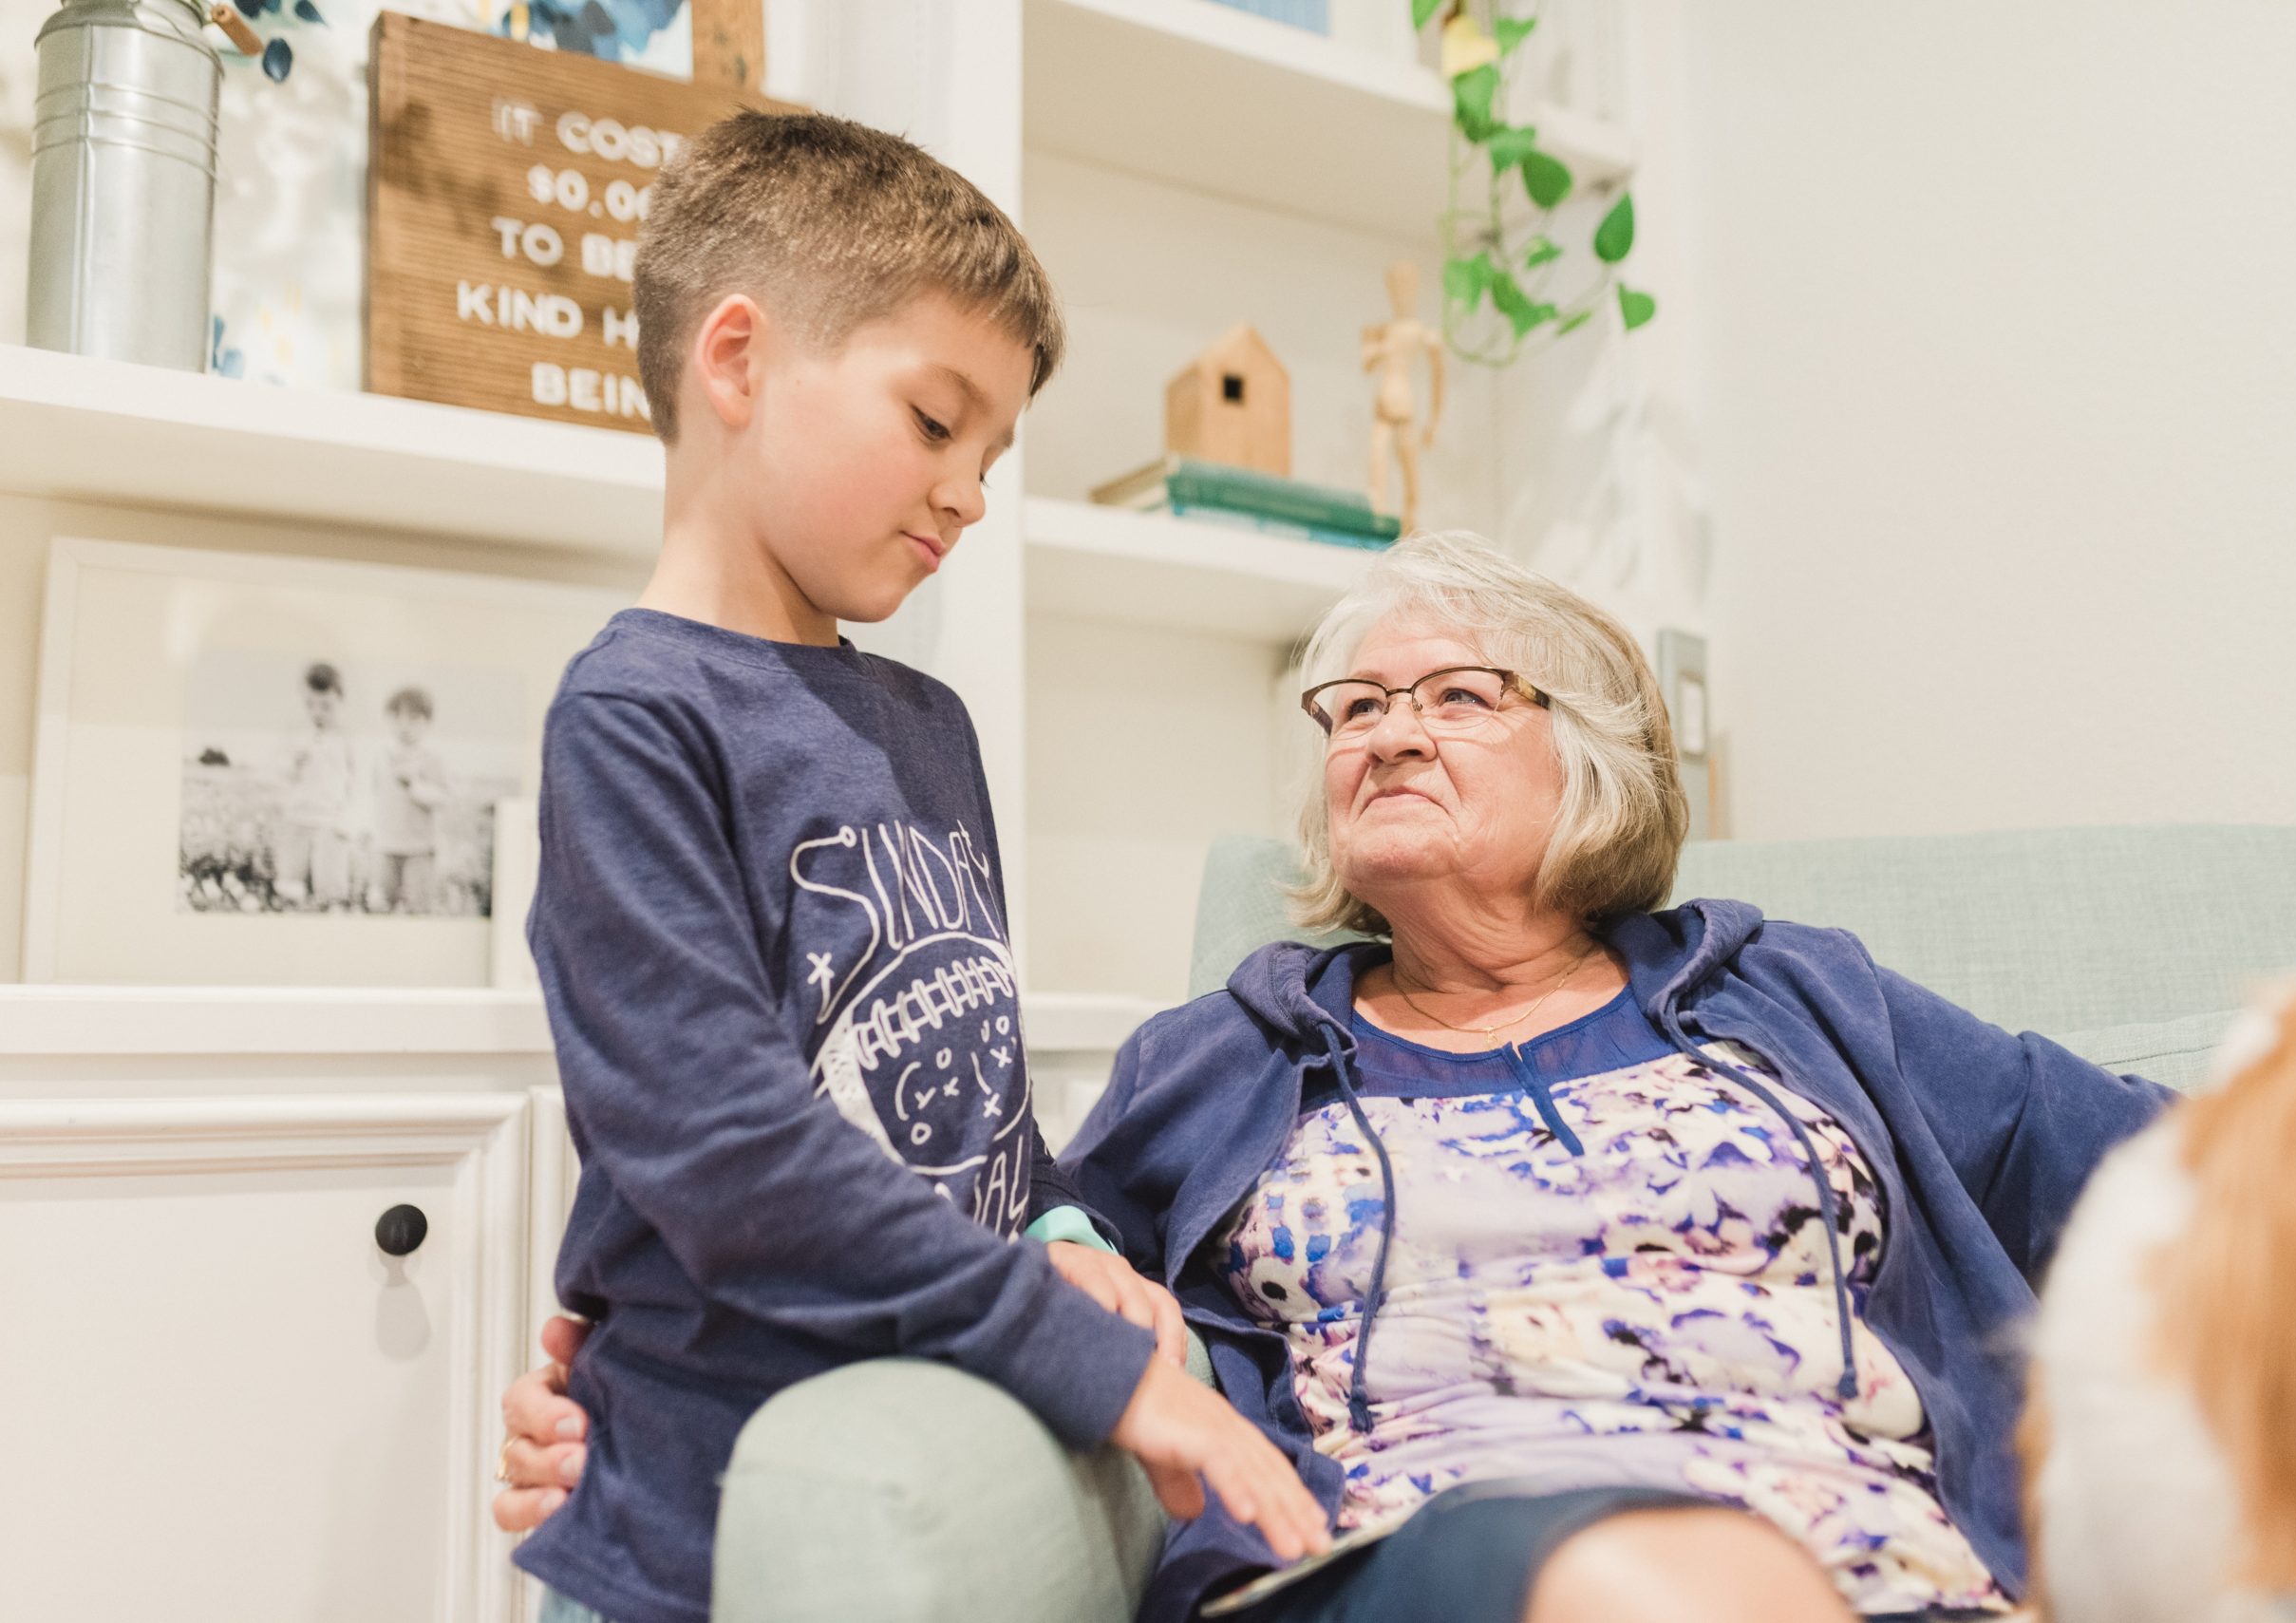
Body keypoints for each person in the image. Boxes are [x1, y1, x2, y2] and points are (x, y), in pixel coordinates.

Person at [502, 531, 2171, 1623]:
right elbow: (984, 1242)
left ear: (1594, 754)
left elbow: (2176, 1177)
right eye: (1353, 703)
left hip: (1889, 1563)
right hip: (1421, 1561)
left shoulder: (1794, 989)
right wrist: (658, 1404)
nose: (1384, 729)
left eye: (1456, 693)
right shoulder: (1230, 1048)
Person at [503, 109, 1327, 1623]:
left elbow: (976, 1104)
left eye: (996, 451)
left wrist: (1069, 1234)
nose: (971, 491)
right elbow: (724, 1148)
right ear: (738, 362)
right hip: (710, 1524)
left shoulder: (926, 727)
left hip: (932, 1436)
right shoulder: (632, 720)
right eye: (937, 422)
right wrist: (1084, 1359)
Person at [273, 659, 359, 909]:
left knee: (330, 890)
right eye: (310, 705)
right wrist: (292, 764)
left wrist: (348, 820)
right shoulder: (298, 735)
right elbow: (281, 774)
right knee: (289, 884)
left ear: (341, 702)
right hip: (297, 817)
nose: (317, 713)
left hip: (331, 821)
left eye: (326, 706)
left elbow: (356, 783)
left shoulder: (346, 738)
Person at [369, 685, 448, 913]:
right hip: (386, 846)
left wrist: (415, 786)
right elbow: (374, 793)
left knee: (418, 908)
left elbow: (444, 797)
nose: (404, 726)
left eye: (414, 718)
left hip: (419, 849)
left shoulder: (432, 758)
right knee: (381, 905)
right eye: (397, 717)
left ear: (427, 722)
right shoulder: (381, 756)